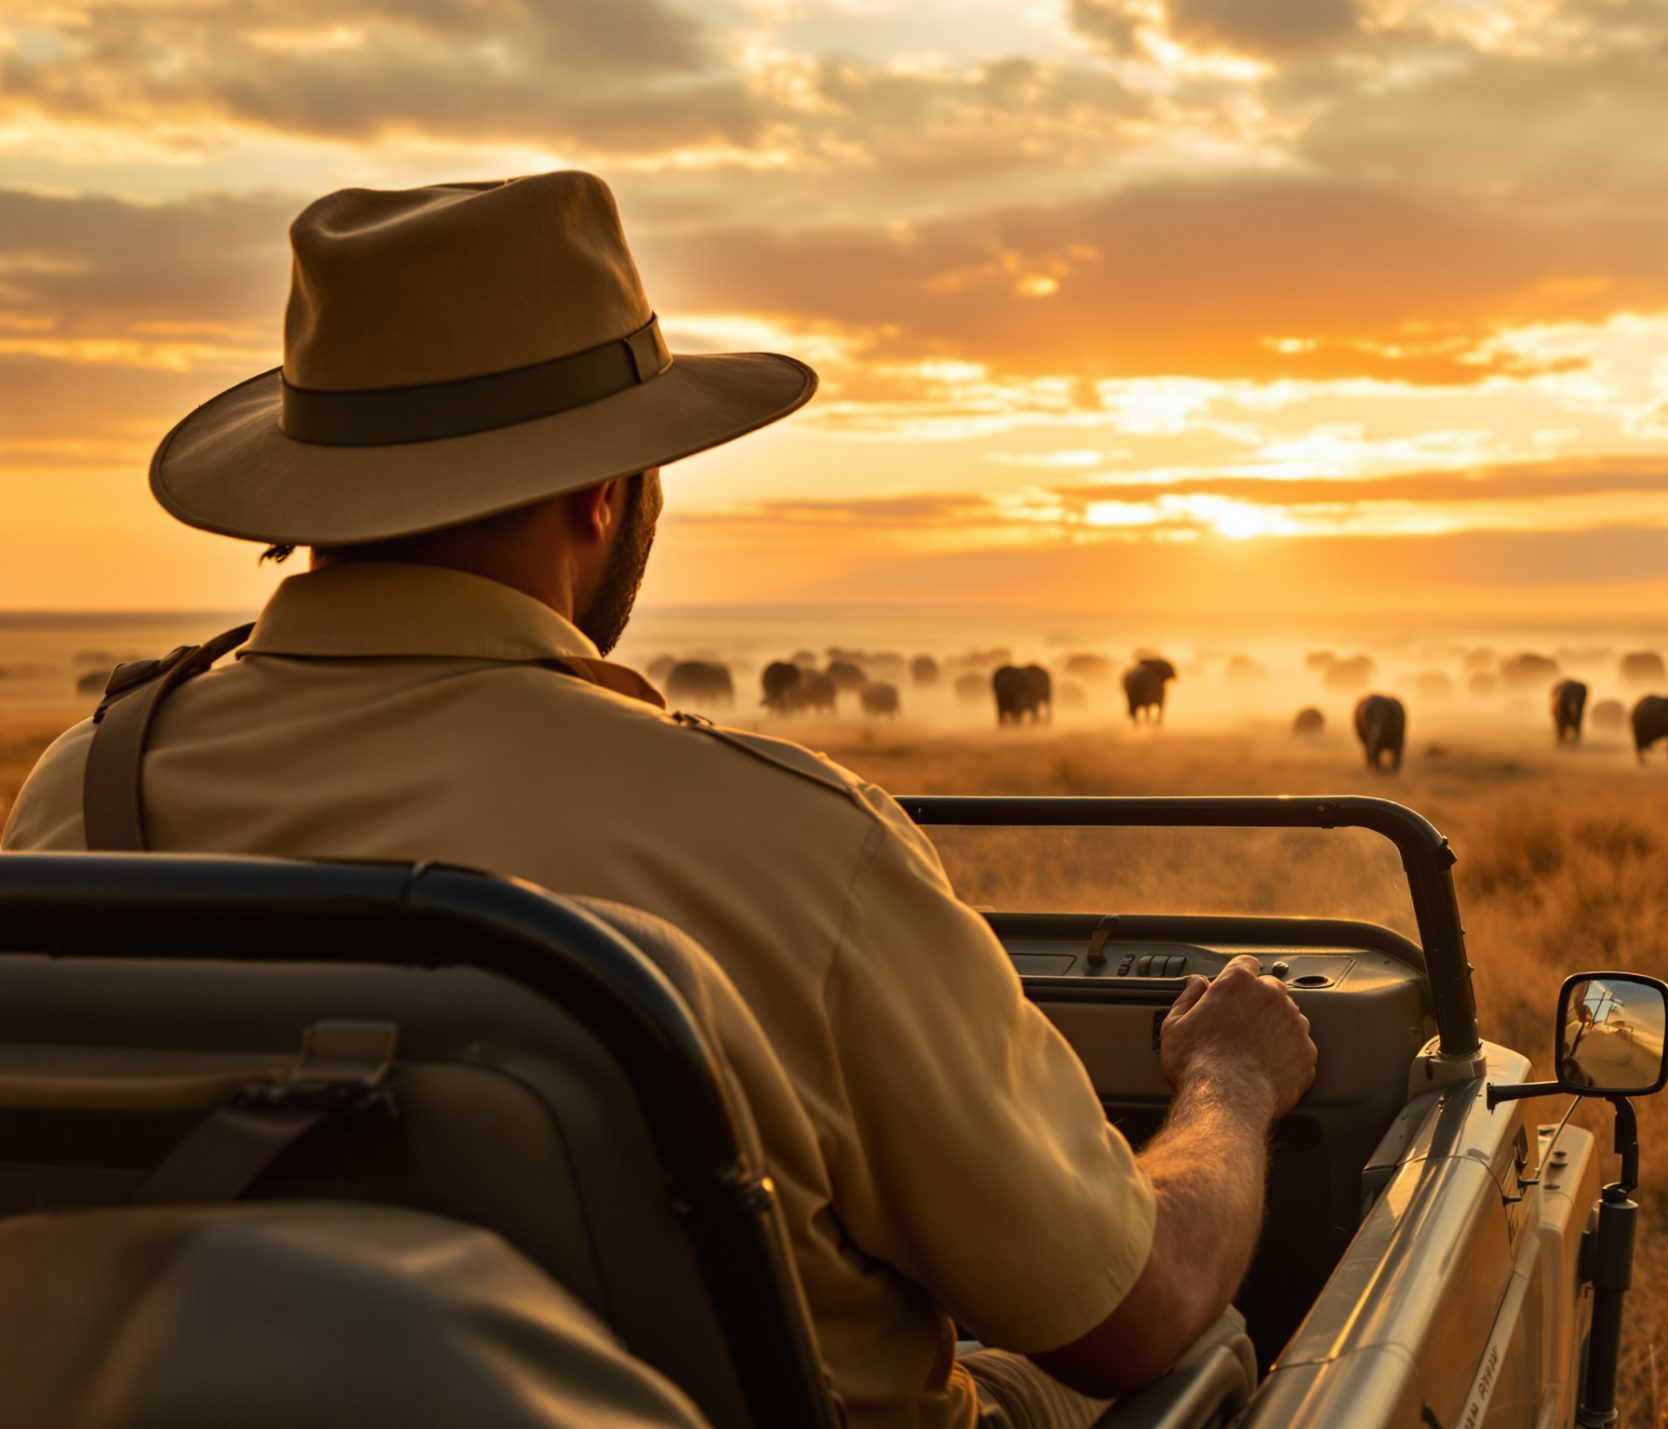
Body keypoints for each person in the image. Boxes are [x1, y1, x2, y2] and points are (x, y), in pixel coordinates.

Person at [0, 171, 1318, 1429]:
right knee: (1213, 1350)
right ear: (604, 489)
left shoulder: (82, 797)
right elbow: (1127, 1311)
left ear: (313, 491)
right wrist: (1231, 1084)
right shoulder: (792, 847)